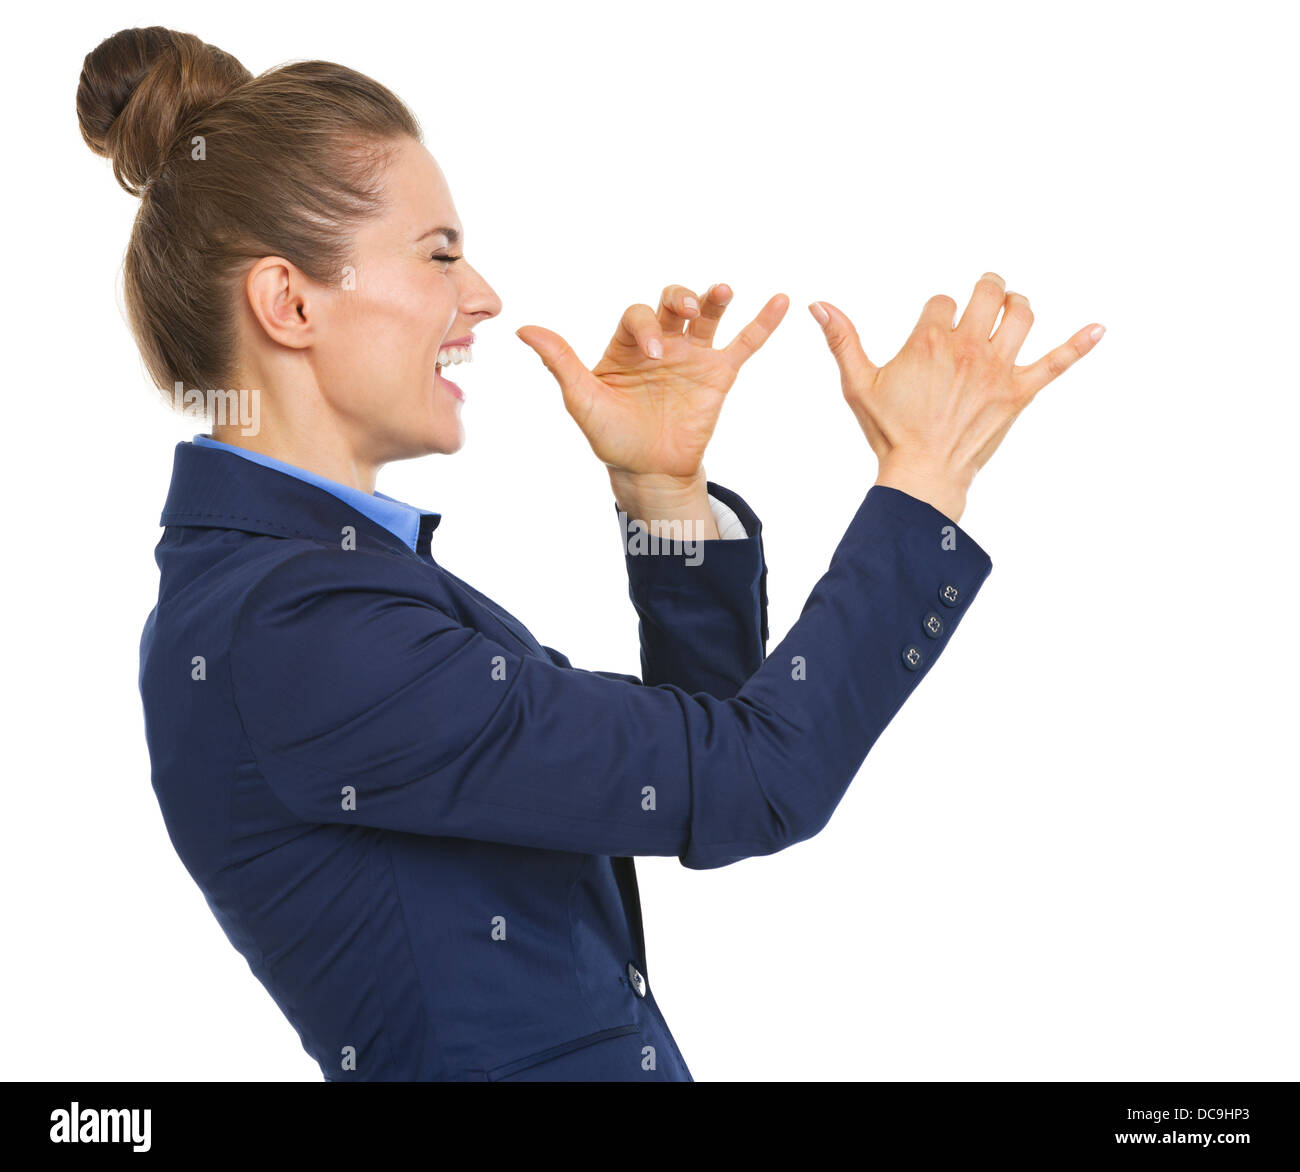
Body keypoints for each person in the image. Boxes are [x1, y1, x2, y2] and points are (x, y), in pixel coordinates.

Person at [79, 25, 1104, 1081]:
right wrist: (921, 481)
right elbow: (760, 776)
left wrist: (661, 494)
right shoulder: (295, 627)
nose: (480, 295)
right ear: (290, 303)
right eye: (439, 254)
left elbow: (705, 752)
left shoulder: (311, 592)